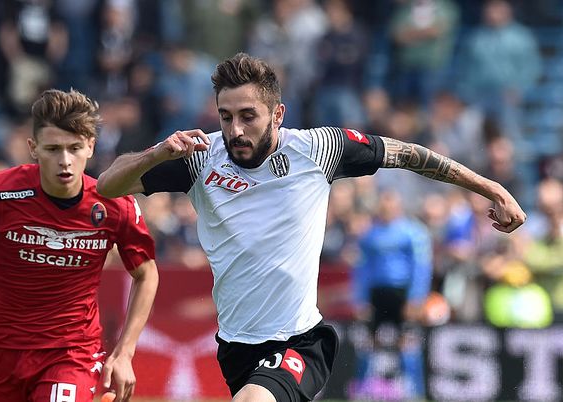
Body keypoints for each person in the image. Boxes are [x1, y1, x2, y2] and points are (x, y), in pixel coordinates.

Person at [96, 53, 526, 402]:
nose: (235, 130)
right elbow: (108, 185)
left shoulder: (319, 149)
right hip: (235, 346)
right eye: (226, 117)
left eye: (249, 116)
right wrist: (156, 154)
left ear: (278, 114)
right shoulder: (198, 157)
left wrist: (493, 189)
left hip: (301, 341)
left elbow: (410, 154)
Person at [0, 89, 159, 402]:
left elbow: (147, 273)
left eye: (75, 148)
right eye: (53, 148)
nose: (65, 161)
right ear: (33, 148)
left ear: (91, 147)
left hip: (74, 352)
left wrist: (125, 351)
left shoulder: (114, 205)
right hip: (6, 351)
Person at [351, 191, 432, 399]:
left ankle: (414, 392)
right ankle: (361, 392)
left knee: (407, 343)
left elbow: (421, 267)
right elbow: (362, 268)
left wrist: (416, 297)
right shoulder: (370, 234)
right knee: (369, 343)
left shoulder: (413, 233)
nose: (386, 208)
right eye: (383, 204)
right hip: (376, 294)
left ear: (398, 206)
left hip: (402, 294)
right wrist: (360, 299)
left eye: (390, 204)